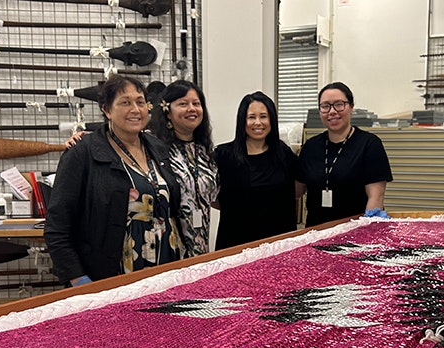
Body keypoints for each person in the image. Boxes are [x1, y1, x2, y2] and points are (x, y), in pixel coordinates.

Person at [44, 74, 184, 286]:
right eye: (125, 102)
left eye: (140, 102)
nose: (135, 110)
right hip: (111, 273)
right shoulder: (83, 153)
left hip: (166, 267)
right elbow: (57, 227)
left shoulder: (157, 148)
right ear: (107, 110)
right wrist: (78, 278)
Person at [213, 91, 302, 250]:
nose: (258, 122)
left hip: (278, 244)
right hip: (236, 244)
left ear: (272, 120)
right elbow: (213, 199)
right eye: (251, 117)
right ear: (242, 120)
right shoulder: (223, 155)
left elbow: (297, 191)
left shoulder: (283, 153)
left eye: (264, 116)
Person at [298, 81, 393, 227]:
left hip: (354, 233)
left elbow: (376, 198)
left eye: (339, 104)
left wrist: (367, 232)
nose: (332, 111)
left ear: (351, 107)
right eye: (325, 106)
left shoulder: (369, 144)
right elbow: (297, 190)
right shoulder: (311, 147)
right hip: (315, 231)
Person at [146, 80, 219, 257]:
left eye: (196, 103)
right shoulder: (151, 147)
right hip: (165, 246)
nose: (192, 109)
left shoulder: (204, 151)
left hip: (200, 245)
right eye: (183, 104)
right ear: (167, 111)